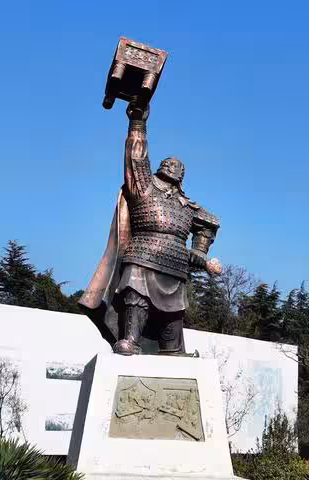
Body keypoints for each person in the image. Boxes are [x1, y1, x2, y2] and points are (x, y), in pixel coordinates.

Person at [79, 101, 220, 355]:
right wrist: (138, 123)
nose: (171, 170)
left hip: (175, 264)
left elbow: (209, 224)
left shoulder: (188, 205)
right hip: (142, 254)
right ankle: (130, 339)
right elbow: (136, 160)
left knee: (174, 311)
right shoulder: (144, 188)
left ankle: (173, 350)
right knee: (136, 293)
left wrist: (201, 251)